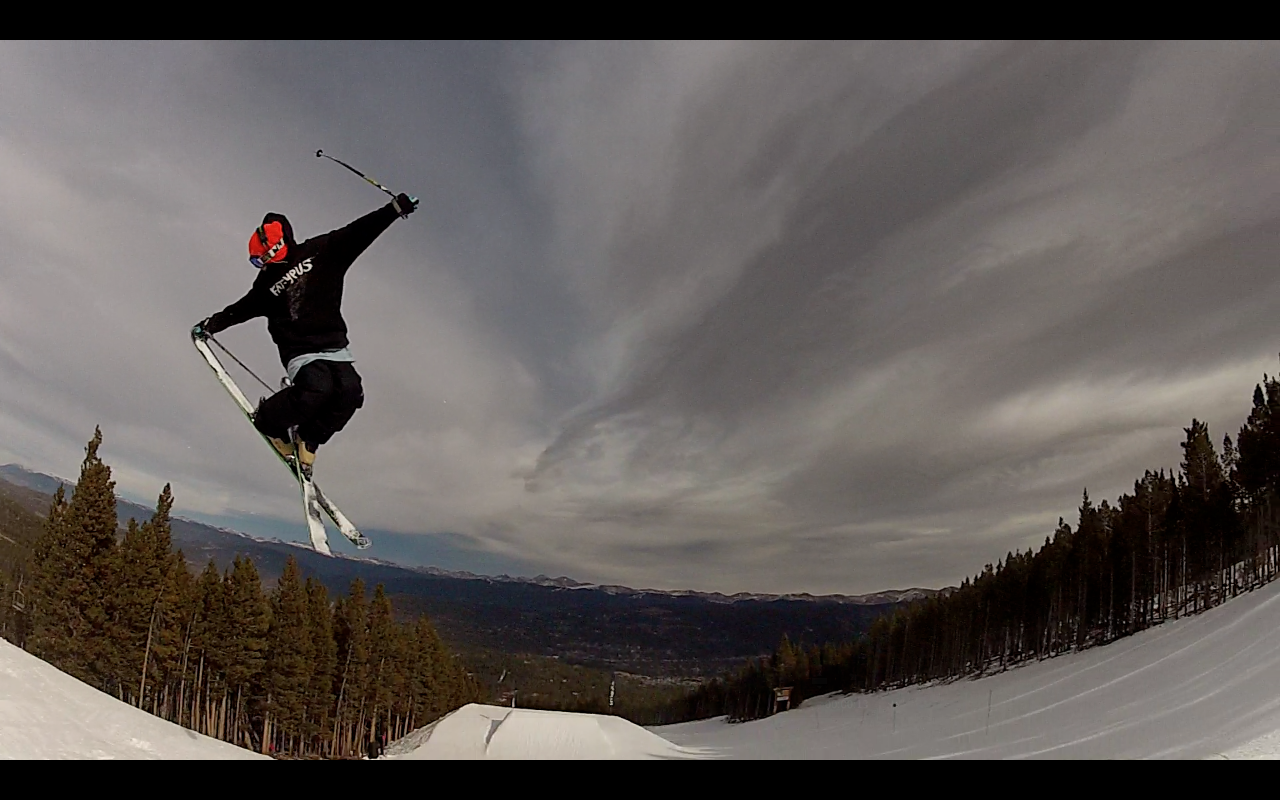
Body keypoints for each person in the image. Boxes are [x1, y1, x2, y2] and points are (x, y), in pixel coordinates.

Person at [193, 193, 418, 476]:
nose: (264, 264)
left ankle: (309, 438)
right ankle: (269, 421)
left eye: (265, 258)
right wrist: (211, 324)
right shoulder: (265, 286)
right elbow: (240, 309)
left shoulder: (322, 251)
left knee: (350, 393)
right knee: (317, 388)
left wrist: (393, 210)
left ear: (280, 246)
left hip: (334, 344)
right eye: (257, 261)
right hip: (299, 349)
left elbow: (358, 232)